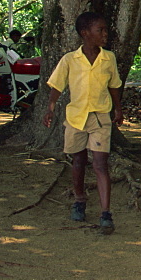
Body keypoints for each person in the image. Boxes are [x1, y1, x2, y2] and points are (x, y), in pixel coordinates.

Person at [43, 12, 124, 234]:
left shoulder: (109, 58)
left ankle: (106, 214)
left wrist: (118, 109)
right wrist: (50, 109)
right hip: (76, 118)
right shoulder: (70, 59)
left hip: (100, 118)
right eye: (101, 30)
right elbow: (57, 86)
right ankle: (79, 200)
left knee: (100, 164)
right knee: (78, 161)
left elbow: (114, 85)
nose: (105, 34)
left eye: (106, 30)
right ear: (85, 33)